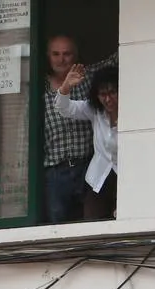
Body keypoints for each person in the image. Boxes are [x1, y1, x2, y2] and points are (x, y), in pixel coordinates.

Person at [41, 36, 111, 224]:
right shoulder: (38, 87)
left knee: (93, 221)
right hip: (55, 171)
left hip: (88, 165)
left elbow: (120, 56)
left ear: (76, 56)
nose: (61, 59)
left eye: (66, 54)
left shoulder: (88, 76)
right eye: (55, 54)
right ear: (48, 56)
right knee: (58, 227)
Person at [53, 64, 118, 220]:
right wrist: (66, 86)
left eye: (112, 92)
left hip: (125, 179)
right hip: (98, 179)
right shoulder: (95, 110)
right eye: (102, 94)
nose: (107, 99)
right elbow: (64, 108)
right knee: (92, 221)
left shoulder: (136, 113)